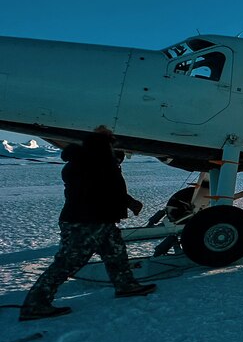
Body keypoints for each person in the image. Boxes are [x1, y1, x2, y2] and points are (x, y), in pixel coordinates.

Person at [20, 127, 156, 321]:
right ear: (102, 145)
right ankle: (35, 304)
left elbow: (110, 189)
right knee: (67, 262)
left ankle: (125, 285)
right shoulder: (89, 164)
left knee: (116, 253)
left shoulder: (95, 163)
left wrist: (129, 202)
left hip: (101, 220)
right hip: (83, 222)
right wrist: (123, 198)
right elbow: (100, 189)